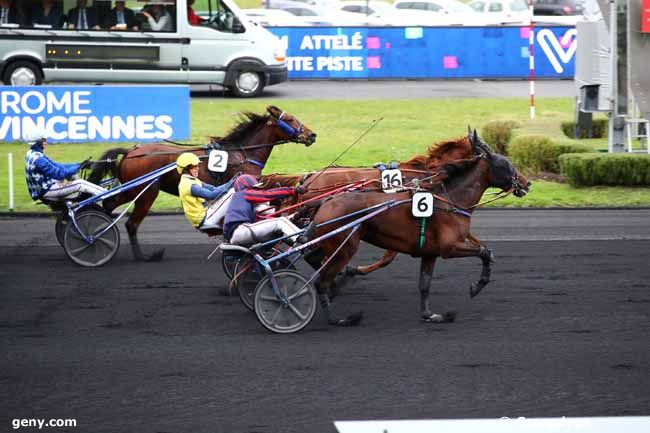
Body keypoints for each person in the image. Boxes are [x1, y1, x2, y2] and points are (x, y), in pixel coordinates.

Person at [223, 174, 314, 248]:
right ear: (247, 187)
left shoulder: (242, 202)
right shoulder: (244, 193)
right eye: (254, 188)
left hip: (238, 234)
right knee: (280, 222)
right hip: (241, 231)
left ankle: (293, 242)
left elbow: (268, 217)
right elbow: (267, 194)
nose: (257, 190)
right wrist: (293, 190)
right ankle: (301, 239)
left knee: (278, 226)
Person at [24, 129, 106, 202]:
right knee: (79, 183)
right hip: (46, 191)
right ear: (38, 142)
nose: (46, 142)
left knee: (73, 175)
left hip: (45, 186)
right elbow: (59, 174)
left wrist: (79, 164)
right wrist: (79, 167)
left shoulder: (33, 153)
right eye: (44, 140)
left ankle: (85, 196)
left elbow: (59, 166)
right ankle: (106, 194)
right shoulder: (39, 160)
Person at [177, 153, 237, 230]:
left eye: (197, 165)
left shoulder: (192, 180)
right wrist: (231, 184)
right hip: (205, 219)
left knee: (231, 191)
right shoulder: (189, 185)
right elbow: (211, 195)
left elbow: (213, 189)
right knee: (232, 193)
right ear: (185, 169)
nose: (197, 168)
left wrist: (231, 182)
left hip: (207, 213)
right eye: (194, 166)